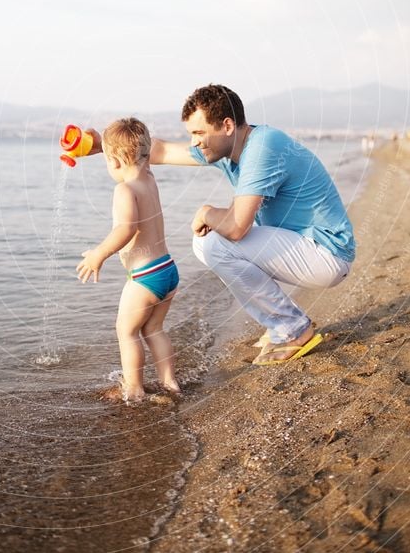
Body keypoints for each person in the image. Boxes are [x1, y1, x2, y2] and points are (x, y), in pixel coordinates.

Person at [86, 85, 355, 366]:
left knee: (215, 242)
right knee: (206, 243)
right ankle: (281, 321)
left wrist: (207, 212)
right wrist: (103, 146)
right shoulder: (226, 148)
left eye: (199, 134)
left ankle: (293, 329)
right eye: (191, 134)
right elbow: (161, 151)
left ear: (227, 125)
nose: (194, 143)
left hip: (326, 253)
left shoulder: (263, 147)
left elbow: (237, 227)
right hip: (301, 249)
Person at [76, 117, 180, 401]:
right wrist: (103, 148)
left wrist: (100, 253)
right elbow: (129, 157)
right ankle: (169, 382)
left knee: (126, 331)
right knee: (154, 329)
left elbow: (126, 228)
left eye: (109, 160)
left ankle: (134, 388)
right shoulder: (148, 178)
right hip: (167, 269)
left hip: (145, 277)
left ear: (116, 161)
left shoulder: (124, 190)